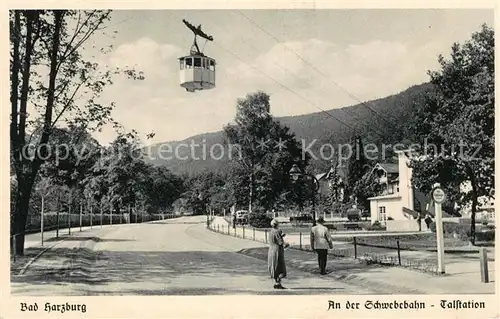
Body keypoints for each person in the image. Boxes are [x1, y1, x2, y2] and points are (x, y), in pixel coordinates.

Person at [268, 219, 288, 289]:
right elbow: (280, 242)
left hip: (271, 250)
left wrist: (281, 236)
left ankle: (276, 282)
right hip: (277, 250)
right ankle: (278, 283)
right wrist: (286, 244)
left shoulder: (270, 232)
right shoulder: (278, 231)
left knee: (274, 266)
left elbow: (275, 239)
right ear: (277, 224)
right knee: (280, 266)